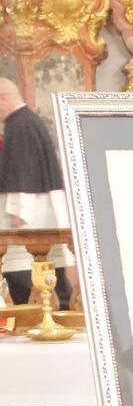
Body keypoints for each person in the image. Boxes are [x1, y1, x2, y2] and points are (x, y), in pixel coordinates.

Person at [0, 79, 73, 307]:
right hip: (41, 210)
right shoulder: (28, 120)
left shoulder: (19, 125)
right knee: (51, 273)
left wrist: (17, 211)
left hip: (29, 218)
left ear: (2, 99)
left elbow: (21, 168)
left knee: (25, 274)